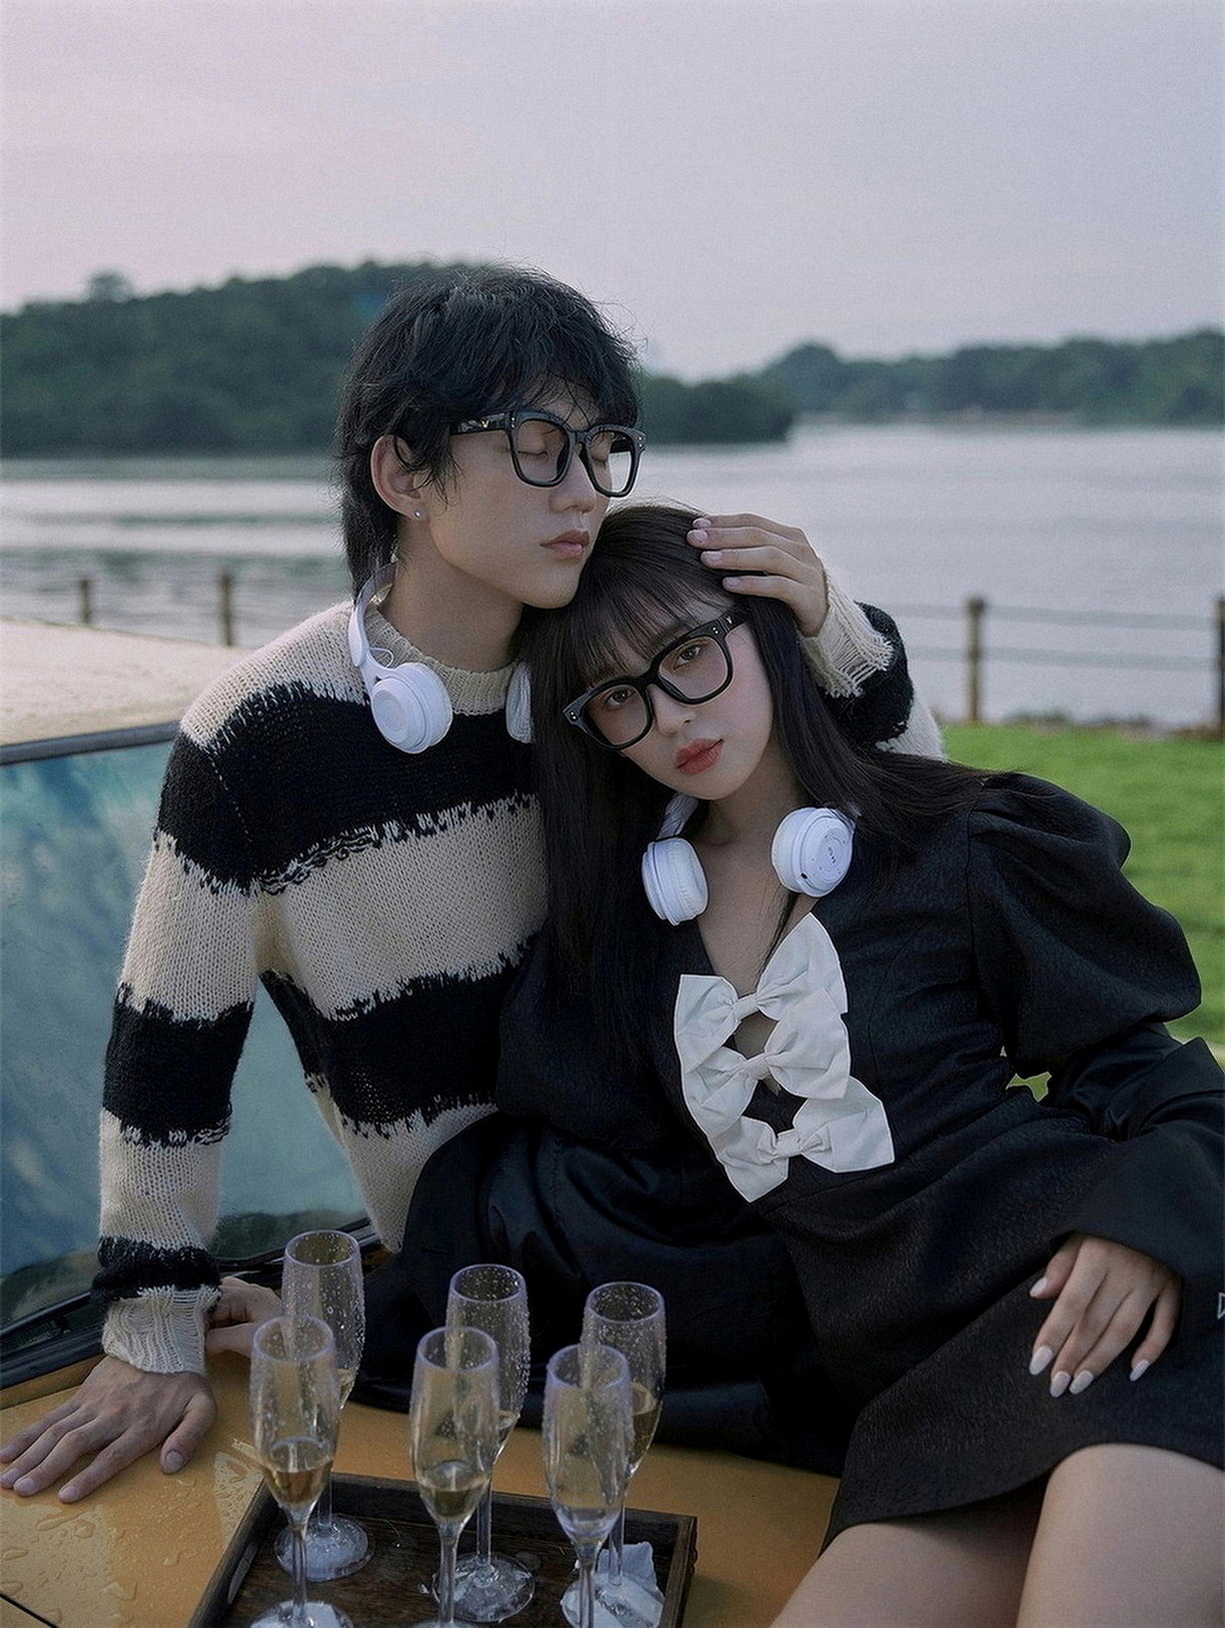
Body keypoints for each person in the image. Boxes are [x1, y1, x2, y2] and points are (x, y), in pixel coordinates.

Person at [0, 266, 938, 1504]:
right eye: (540, 447)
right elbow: (170, 1044)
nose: (586, 491)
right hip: (490, 1305)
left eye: (603, 450)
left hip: (744, 1244)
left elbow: (913, 836)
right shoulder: (263, 735)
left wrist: (833, 630)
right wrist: (152, 1328)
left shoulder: (612, 687)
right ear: (403, 471)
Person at [467, 502, 1221, 1624]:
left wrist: (1144, 1229)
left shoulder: (955, 841)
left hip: (1112, 1315)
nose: (671, 714)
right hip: (920, 1403)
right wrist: (309, 1295)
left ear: (766, 630)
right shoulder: (628, 937)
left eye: (688, 652)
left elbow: (1155, 1078)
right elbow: (574, 1196)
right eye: (619, 697)